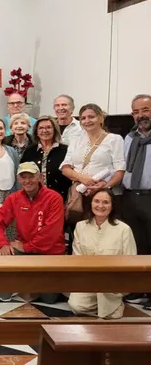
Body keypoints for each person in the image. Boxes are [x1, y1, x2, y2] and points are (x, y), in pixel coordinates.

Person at [68, 190, 136, 318]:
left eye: (106, 202)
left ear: (112, 206)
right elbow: (77, 259)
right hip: (88, 280)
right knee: (75, 306)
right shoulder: (80, 226)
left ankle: (113, 304)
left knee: (111, 314)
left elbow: (131, 261)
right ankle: (100, 306)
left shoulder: (123, 229)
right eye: (97, 201)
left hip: (113, 283)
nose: (100, 206)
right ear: (91, 203)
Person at [0, 163, 65, 254]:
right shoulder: (13, 198)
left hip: (50, 252)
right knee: (2, 258)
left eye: (31, 176)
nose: (27, 181)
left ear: (40, 177)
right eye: (23, 177)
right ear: (18, 179)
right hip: (24, 250)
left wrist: (27, 247)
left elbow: (51, 232)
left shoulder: (54, 198)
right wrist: (3, 244)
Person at [60, 104, 126, 199]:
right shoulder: (76, 140)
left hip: (104, 194)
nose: (87, 121)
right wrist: (82, 178)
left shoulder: (115, 139)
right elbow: (65, 168)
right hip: (79, 192)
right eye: (83, 118)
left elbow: (120, 170)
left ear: (101, 118)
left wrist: (104, 187)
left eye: (91, 117)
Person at [123, 95, 151, 260]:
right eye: (136, 112)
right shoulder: (129, 138)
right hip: (131, 198)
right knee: (135, 247)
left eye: (145, 110)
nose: (141, 115)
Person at [21, 116, 71, 202]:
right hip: (34, 198)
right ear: (36, 132)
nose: (44, 131)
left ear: (54, 130)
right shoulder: (29, 151)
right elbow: (22, 173)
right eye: (41, 128)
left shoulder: (65, 150)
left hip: (60, 198)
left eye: (48, 127)